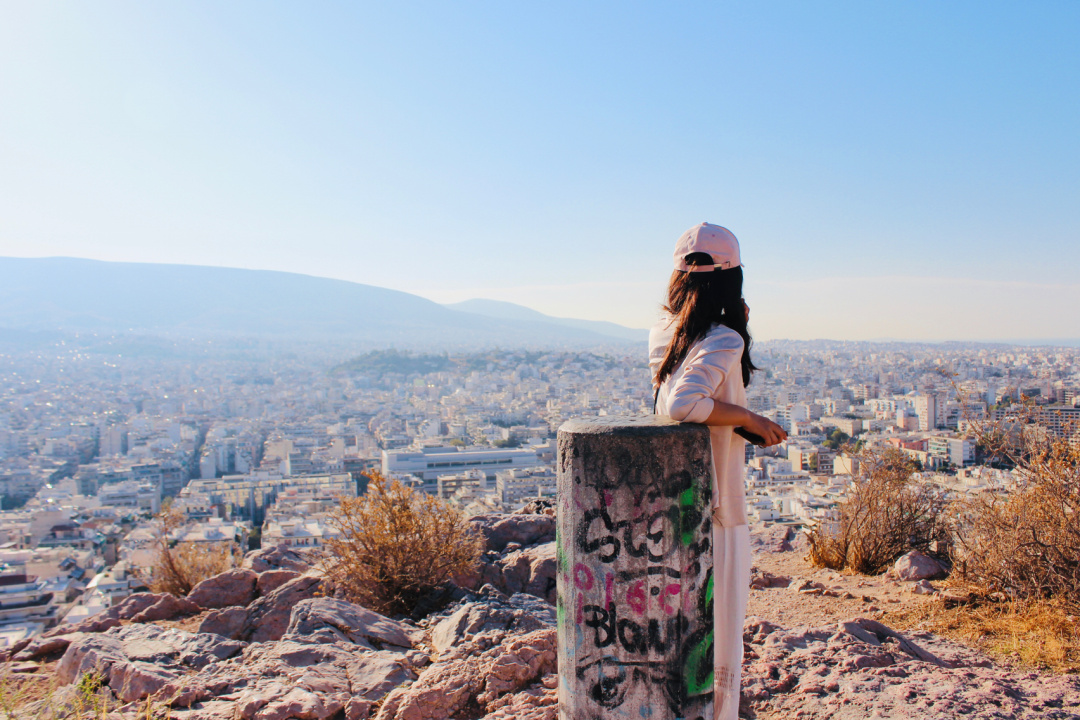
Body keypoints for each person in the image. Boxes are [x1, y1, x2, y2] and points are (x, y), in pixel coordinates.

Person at [649, 222, 787, 720]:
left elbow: (675, 393)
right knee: (721, 640)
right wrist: (749, 417)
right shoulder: (722, 336)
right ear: (734, 279)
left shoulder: (665, 333)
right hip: (719, 508)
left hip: (675, 504)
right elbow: (683, 404)